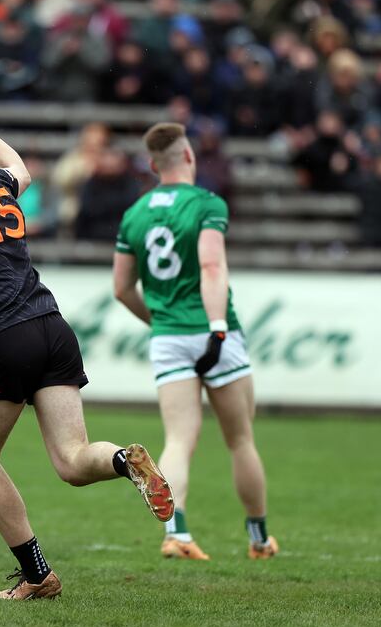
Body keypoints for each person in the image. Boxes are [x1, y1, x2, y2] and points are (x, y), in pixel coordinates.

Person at [0, 77, 173, 600]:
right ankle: (123, 459)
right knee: (73, 461)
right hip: (52, 327)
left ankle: (37, 576)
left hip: (6, 336)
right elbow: (23, 169)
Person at [112, 122, 278, 561]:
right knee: (240, 439)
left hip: (168, 337)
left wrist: (160, 321)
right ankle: (259, 538)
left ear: (152, 165)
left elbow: (122, 289)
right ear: (189, 157)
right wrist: (218, 326)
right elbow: (211, 267)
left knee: (179, 440)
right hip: (212, 331)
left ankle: (177, 532)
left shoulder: (135, 213)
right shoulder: (207, 203)